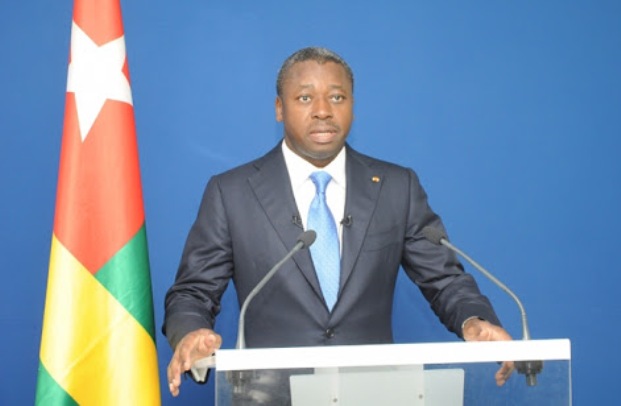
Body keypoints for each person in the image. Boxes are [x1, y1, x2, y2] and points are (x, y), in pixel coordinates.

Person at [163, 46, 514, 398]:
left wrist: (475, 320)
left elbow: (444, 279)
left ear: (352, 106)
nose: (323, 111)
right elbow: (193, 292)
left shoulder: (396, 187)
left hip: (373, 395)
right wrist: (191, 332)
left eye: (337, 97)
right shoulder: (232, 193)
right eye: (305, 98)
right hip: (269, 398)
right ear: (279, 108)